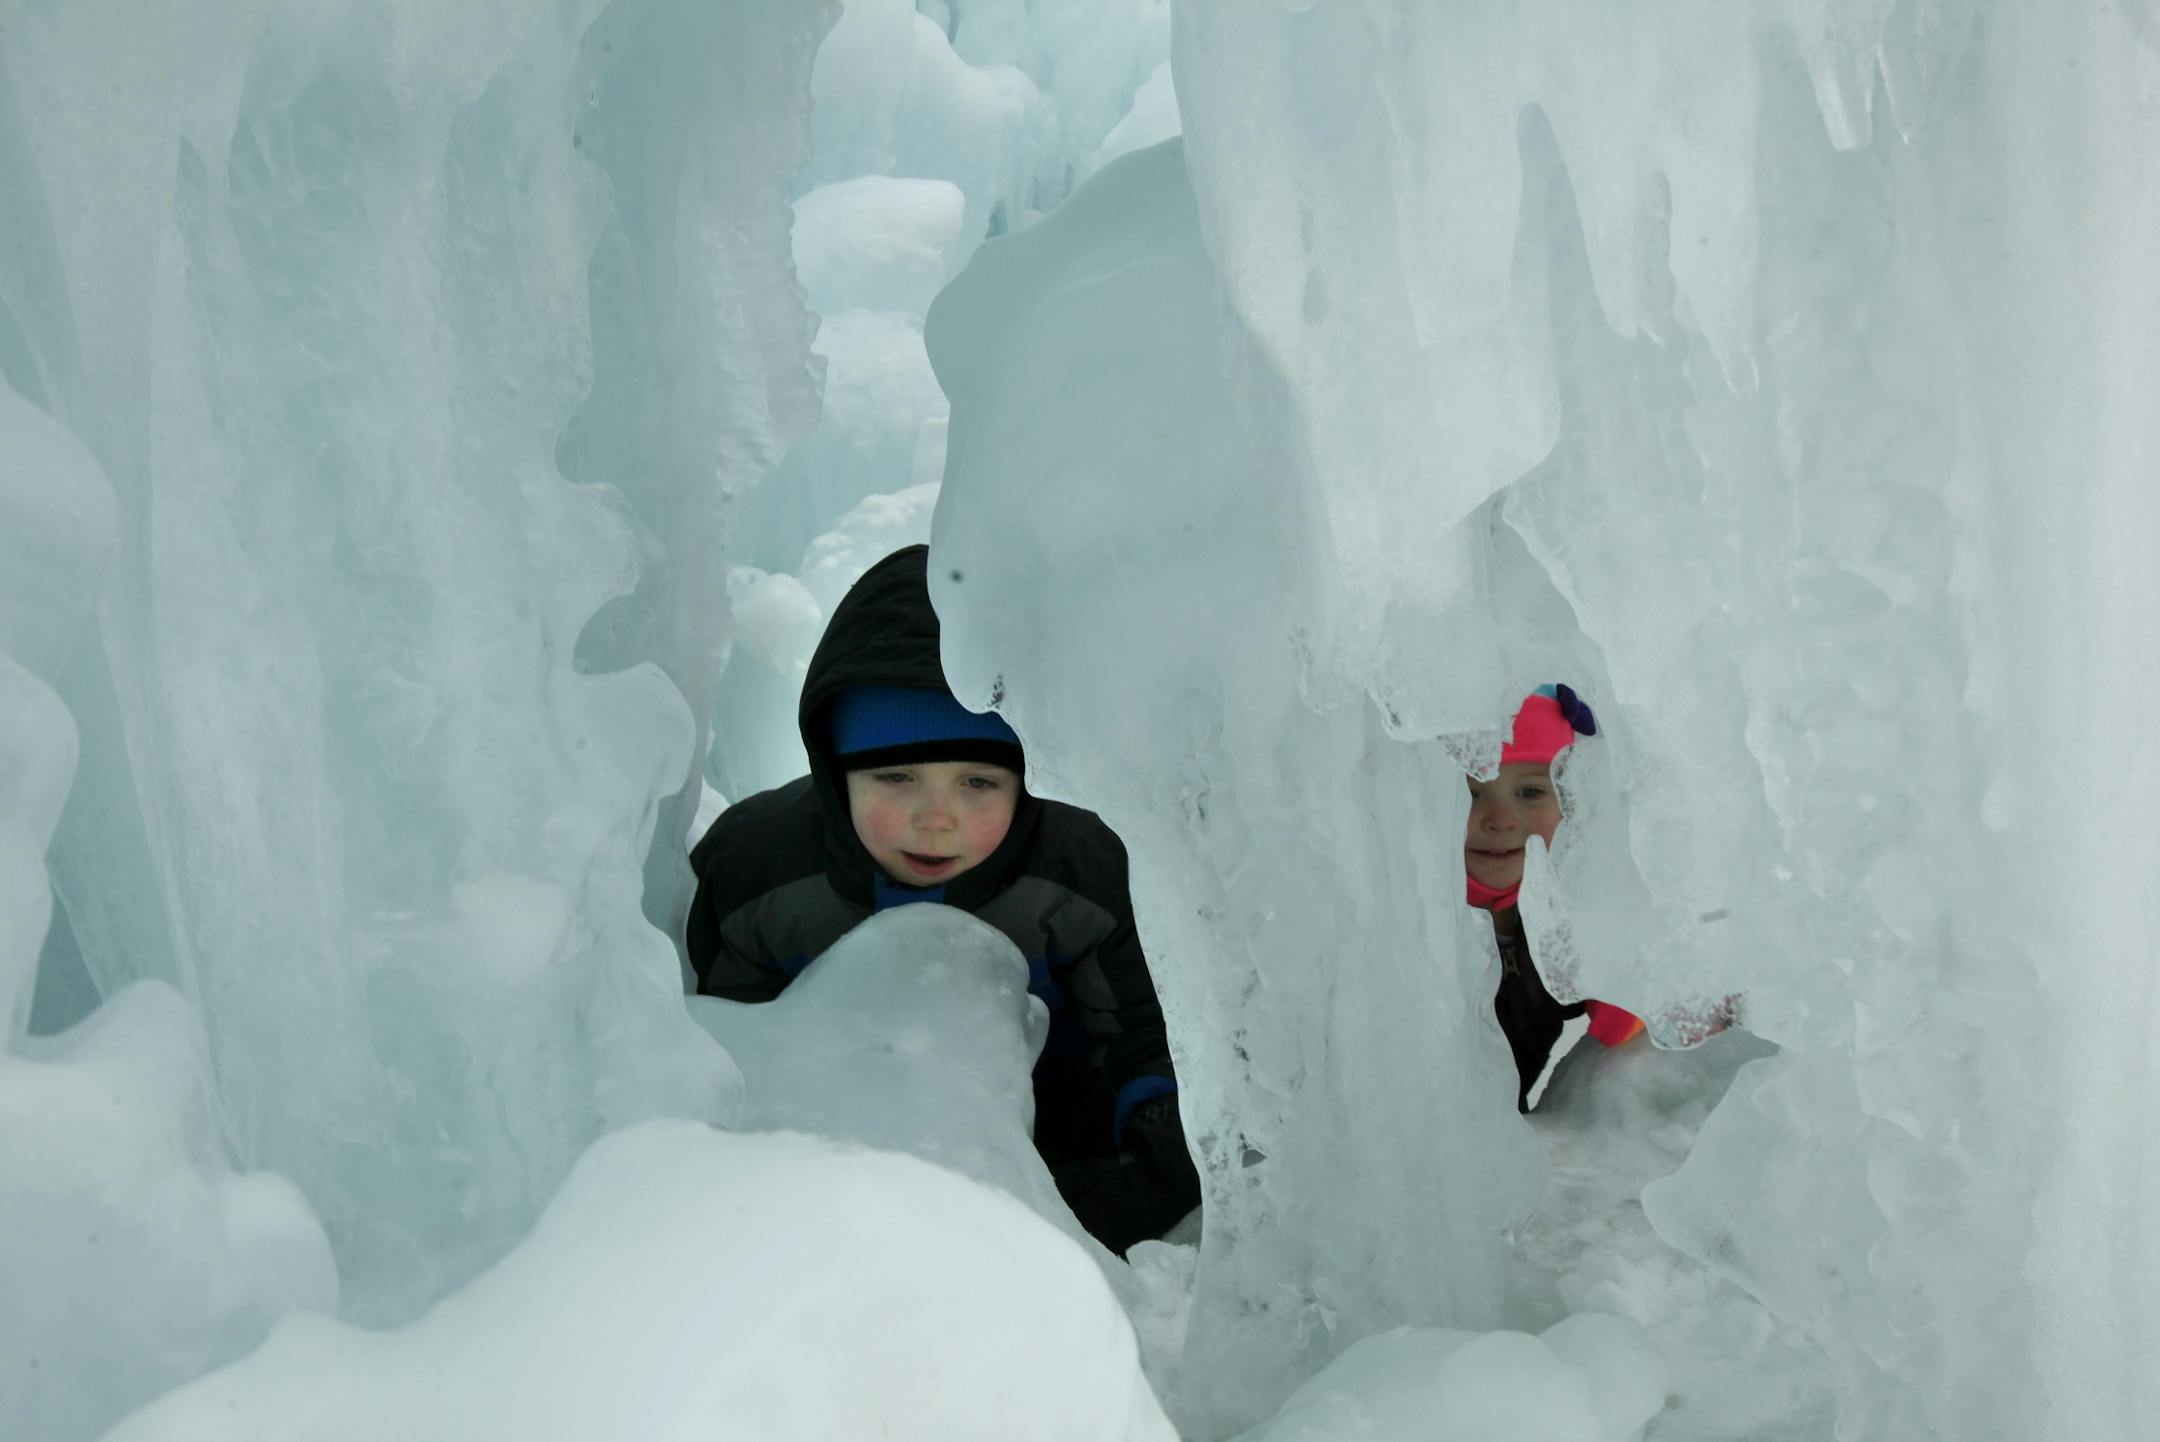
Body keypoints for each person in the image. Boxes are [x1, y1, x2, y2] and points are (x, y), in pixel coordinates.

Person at [687, 544, 1198, 1252]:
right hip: (836, 1162)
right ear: (836, 776)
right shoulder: (762, 874)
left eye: (978, 783)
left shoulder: (1082, 868)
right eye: (896, 778)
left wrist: (1141, 1169)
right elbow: (725, 1049)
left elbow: (1144, 1036)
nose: (938, 818)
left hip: (1061, 1149)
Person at [1465, 684, 1643, 1110]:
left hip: (1501, 1140)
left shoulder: (1563, 907)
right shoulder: (1411, 916)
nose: (1500, 820)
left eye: (1530, 793)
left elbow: (1629, 1009)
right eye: (1471, 793)